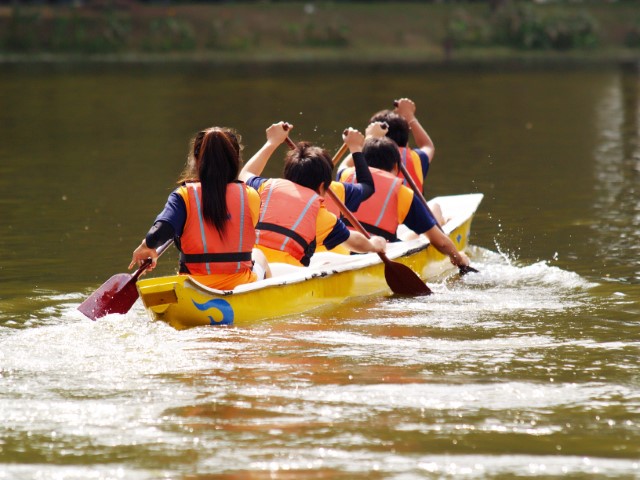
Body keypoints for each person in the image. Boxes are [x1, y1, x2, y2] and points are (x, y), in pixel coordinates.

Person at [129, 127, 271, 289]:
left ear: (197, 160)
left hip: (194, 288)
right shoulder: (251, 195)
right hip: (240, 285)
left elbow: (161, 231)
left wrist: (146, 246)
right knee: (259, 254)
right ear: (235, 160)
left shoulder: (183, 196)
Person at [238, 122, 387, 267]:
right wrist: (373, 245)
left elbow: (244, 175)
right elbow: (353, 241)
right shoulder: (318, 211)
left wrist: (272, 142)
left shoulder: (267, 187)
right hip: (287, 271)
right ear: (323, 185)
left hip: (253, 265)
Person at [338, 135, 470, 269]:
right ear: (396, 166)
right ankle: (439, 221)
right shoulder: (403, 194)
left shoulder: (345, 175)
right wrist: (459, 259)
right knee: (414, 234)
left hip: (340, 249)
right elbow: (439, 241)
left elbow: (343, 165)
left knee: (408, 236)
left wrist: (365, 138)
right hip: (377, 252)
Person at [369, 97, 435, 194]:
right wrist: (410, 116)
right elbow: (428, 145)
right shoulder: (416, 158)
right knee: (435, 206)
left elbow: (343, 168)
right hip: (409, 208)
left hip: (378, 208)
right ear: (406, 138)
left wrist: (370, 138)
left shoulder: (364, 158)